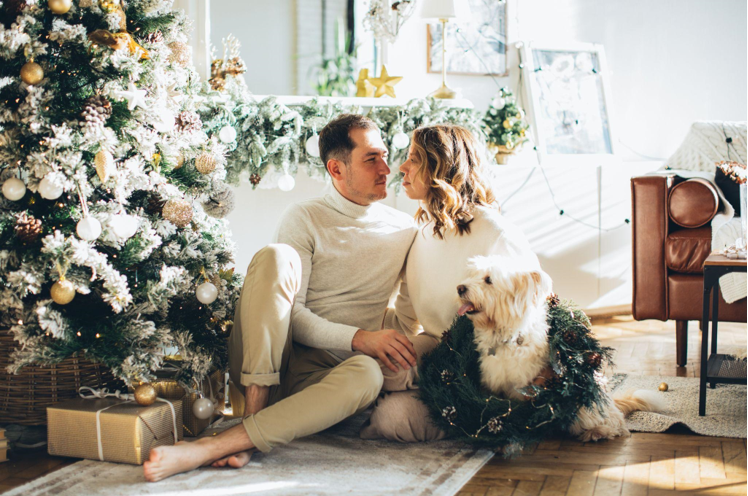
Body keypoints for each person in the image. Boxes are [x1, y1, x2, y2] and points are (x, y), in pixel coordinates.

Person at [143, 114, 421, 482]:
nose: (387, 168)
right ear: (336, 168)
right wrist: (359, 337)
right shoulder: (305, 217)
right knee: (276, 256)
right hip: (274, 357)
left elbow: (410, 311)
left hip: (329, 379)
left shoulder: (405, 229)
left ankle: (229, 441)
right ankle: (251, 418)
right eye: (371, 159)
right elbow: (295, 315)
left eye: (385, 155)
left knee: (368, 373)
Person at [359, 124, 544, 443]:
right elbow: (406, 320)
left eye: (414, 159)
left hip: (485, 368)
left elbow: (537, 311)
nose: (401, 167)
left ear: (441, 167)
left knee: (393, 420)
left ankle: (469, 413)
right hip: (436, 349)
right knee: (368, 369)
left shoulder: (496, 233)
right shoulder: (422, 234)